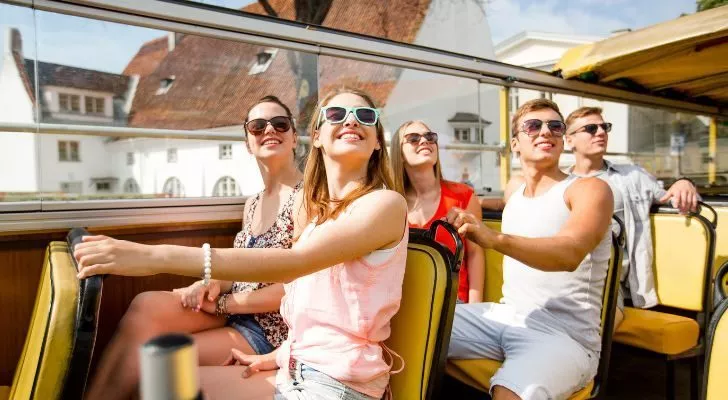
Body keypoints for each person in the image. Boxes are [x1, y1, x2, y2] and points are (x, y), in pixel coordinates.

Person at [74, 87, 408, 400]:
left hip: (335, 380)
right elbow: (317, 310)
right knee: (163, 379)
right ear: (317, 137)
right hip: (297, 363)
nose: (351, 120)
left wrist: (154, 256)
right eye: (336, 114)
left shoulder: (384, 205)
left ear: (378, 140)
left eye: (365, 116)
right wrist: (279, 355)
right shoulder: (322, 218)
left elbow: (295, 264)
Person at [84, 95, 303, 400]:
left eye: (280, 124)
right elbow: (243, 265)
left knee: (158, 365)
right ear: (247, 143)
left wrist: (225, 303)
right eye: (257, 126)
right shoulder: (253, 203)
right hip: (235, 309)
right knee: (146, 304)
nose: (270, 130)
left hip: (269, 330)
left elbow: (299, 287)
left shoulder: (306, 199)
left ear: (294, 137)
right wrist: (212, 282)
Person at [446, 99, 614, 400]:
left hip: (565, 336)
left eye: (555, 126)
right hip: (509, 315)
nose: (545, 132)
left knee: (510, 393)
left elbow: (569, 253)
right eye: (533, 126)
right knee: (412, 322)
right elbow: (515, 205)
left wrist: (494, 239)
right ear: (515, 144)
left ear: (563, 138)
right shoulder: (514, 191)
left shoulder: (589, 190)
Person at [564, 106, 700, 327]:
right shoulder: (560, 184)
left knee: (595, 321)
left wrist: (684, 183)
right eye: (591, 128)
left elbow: (675, 200)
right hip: (568, 274)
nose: (601, 132)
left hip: (609, 281)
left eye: (604, 127)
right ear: (570, 141)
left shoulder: (632, 176)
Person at [391, 120, 485, 303]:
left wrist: (475, 307)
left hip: (455, 305)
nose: (424, 141)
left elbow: (475, 254)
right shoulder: (392, 204)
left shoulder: (463, 196)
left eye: (430, 137)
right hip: (408, 305)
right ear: (399, 153)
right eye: (413, 138)